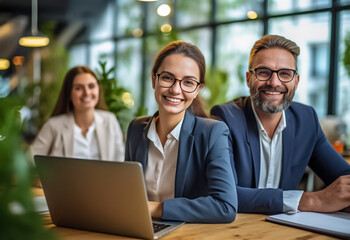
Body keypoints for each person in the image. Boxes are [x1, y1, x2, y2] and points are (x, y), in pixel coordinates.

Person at [211, 35, 350, 214]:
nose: (274, 82)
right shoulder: (225, 118)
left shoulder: (306, 120)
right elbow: (223, 194)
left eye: (285, 74)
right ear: (248, 78)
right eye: (263, 72)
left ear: (296, 81)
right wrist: (313, 200)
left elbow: (343, 176)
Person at [125, 41, 237, 223]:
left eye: (188, 82)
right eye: (168, 78)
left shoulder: (212, 133)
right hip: (138, 227)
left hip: (185, 232)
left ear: (198, 89)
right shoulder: (136, 129)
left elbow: (225, 207)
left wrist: (154, 207)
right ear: (154, 79)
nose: (176, 90)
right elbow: (128, 191)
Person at [31, 66, 124, 162]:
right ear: (69, 93)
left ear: (98, 89)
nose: (87, 92)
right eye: (78, 88)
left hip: (106, 177)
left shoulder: (110, 120)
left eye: (91, 86)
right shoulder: (53, 125)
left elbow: (121, 161)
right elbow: (29, 162)